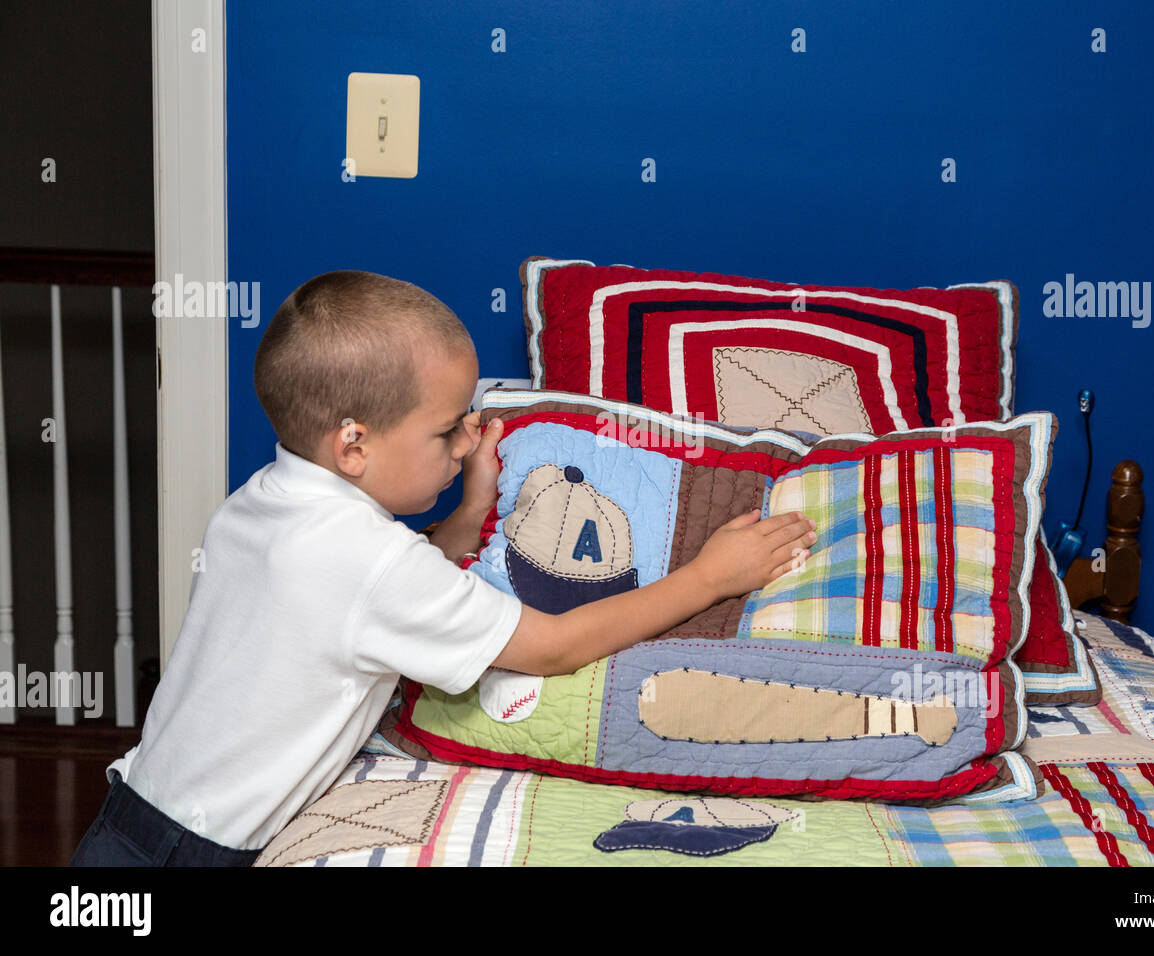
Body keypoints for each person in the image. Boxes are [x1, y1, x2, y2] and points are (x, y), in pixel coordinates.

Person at [69, 270, 817, 866]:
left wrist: (466, 514)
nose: (465, 442)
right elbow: (550, 645)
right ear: (353, 446)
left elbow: (368, 597)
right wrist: (708, 578)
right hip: (196, 852)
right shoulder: (367, 560)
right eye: (445, 428)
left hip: (129, 816)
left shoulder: (259, 507)